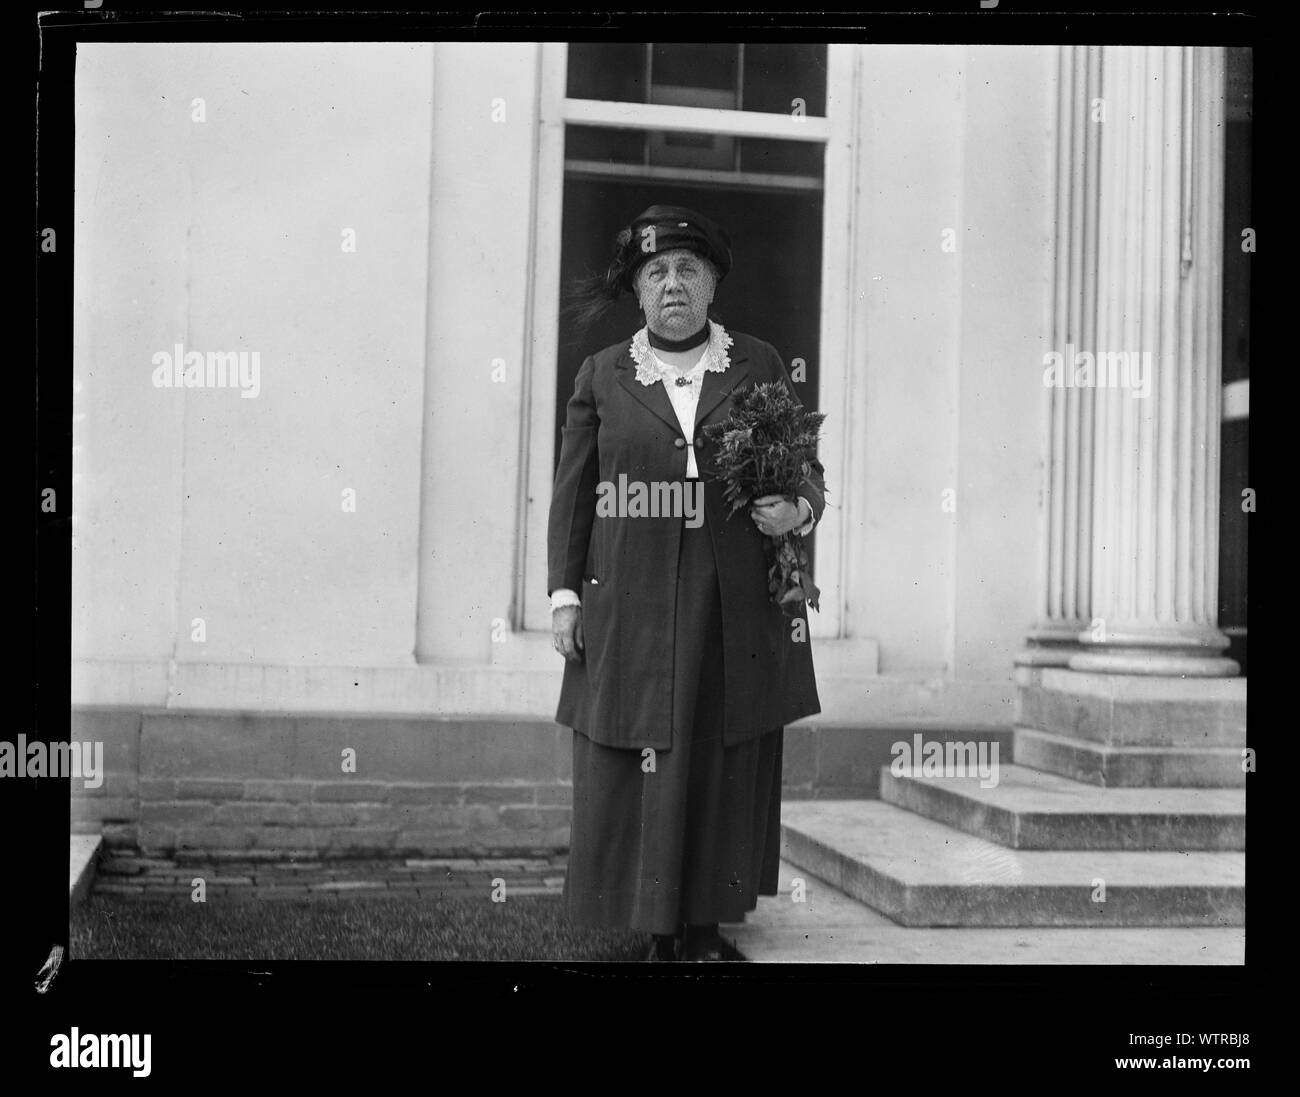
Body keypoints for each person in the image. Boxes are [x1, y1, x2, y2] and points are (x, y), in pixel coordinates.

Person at [548, 204, 825, 961]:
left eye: (688, 271)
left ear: (712, 286)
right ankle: (654, 924)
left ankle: (704, 924)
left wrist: (795, 506)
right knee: (644, 755)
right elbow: (575, 492)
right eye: (657, 272)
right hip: (631, 596)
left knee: (718, 754)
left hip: (731, 598)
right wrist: (564, 595)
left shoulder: (757, 364)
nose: (673, 284)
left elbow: (806, 468)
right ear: (639, 292)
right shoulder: (603, 375)